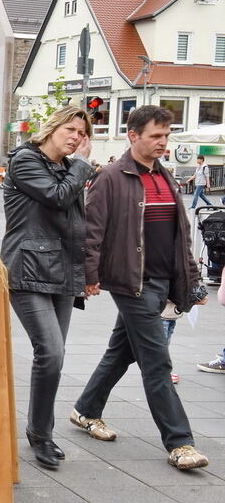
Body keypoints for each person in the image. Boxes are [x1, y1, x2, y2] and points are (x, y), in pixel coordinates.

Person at [73, 105, 210, 471]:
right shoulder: (112, 178)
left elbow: (181, 238)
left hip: (165, 281)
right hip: (133, 283)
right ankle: (180, 442)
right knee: (156, 362)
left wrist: (192, 283)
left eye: (166, 136)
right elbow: (92, 231)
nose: (162, 143)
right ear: (133, 136)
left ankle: (86, 410)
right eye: (155, 136)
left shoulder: (165, 177)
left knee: (122, 351)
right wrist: (90, 276)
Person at [1, 105, 93, 469]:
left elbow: (75, 220)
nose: (76, 138)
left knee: (53, 358)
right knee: (51, 353)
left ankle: (41, 430)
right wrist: (83, 169)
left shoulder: (67, 169)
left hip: (62, 272)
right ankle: (40, 435)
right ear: (52, 128)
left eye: (82, 134)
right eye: (71, 129)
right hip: (27, 268)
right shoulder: (25, 160)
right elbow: (56, 197)